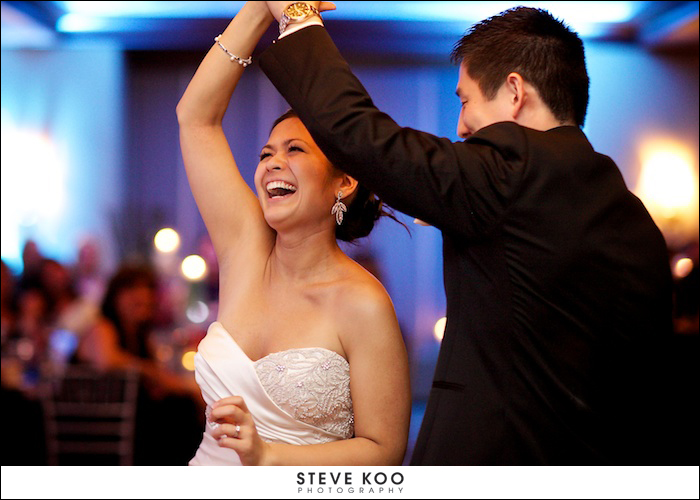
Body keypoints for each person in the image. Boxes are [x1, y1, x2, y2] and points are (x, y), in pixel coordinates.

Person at [258, 2, 674, 464]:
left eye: (465, 99)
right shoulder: (630, 215)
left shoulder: (514, 169)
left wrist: (295, 12)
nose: (461, 126)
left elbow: (364, 137)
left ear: (514, 92)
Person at [176, 1, 411, 466]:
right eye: (267, 153)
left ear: (344, 182)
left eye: (295, 149)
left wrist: (268, 457)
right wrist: (263, 8)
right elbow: (195, 117)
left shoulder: (364, 302)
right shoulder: (246, 249)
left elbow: (384, 452)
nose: (272, 163)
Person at [75, 263, 202, 465]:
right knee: (180, 413)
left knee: (183, 408)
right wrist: (149, 371)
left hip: (128, 420)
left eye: (147, 294)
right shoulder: (103, 327)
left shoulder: (140, 336)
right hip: (99, 425)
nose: (143, 297)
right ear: (115, 296)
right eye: (133, 295)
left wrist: (190, 390)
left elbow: (158, 380)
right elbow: (106, 360)